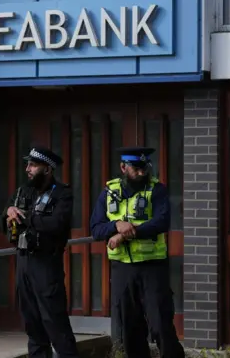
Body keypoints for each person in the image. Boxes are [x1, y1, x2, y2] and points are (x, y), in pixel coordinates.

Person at [89, 147, 185, 358]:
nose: (142, 173)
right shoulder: (108, 192)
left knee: (160, 325)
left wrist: (124, 234)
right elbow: (96, 229)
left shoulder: (156, 190)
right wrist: (116, 225)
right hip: (123, 269)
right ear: (123, 167)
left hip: (153, 267)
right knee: (131, 329)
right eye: (136, 169)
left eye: (145, 168)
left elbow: (161, 222)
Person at [0, 146, 80, 358]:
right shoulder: (22, 191)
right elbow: (5, 218)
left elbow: (56, 224)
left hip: (46, 264)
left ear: (47, 169)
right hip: (24, 261)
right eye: (28, 164)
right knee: (32, 324)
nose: (27, 169)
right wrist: (8, 212)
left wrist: (27, 218)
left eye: (33, 165)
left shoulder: (62, 194)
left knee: (55, 324)